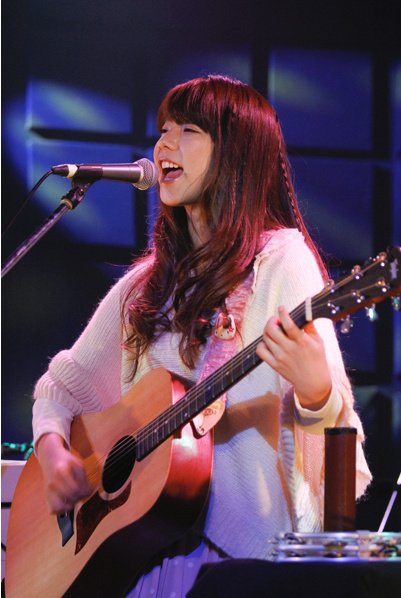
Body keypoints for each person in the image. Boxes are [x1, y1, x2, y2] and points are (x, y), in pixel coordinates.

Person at [32, 75, 372, 597]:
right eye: (163, 129)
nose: (164, 145)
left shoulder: (281, 261)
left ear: (236, 153)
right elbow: (61, 389)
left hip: (238, 564)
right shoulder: (145, 287)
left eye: (188, 130)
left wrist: (316, 391)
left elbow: (336, 429)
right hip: (139, 561)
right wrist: (55, 453)